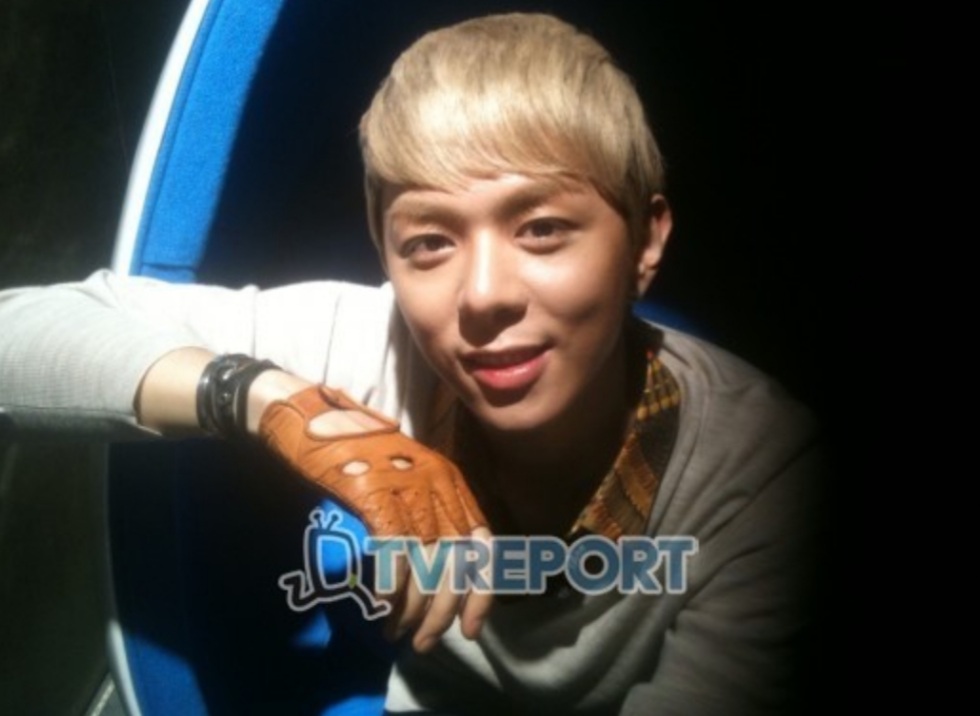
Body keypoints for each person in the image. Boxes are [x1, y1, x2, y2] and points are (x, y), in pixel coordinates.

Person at [0, 12, 822, 715]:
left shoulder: (765, 477)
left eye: (541, 229)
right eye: (429, 242)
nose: (483, 295)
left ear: (645, 241)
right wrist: (270, 401)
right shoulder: (377, 342)